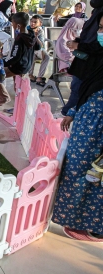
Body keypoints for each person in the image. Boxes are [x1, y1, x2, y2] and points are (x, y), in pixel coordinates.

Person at [54, 13, 103, 241]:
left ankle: (94, 227)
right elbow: (87, 90)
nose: (99, 35)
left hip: (97, 131)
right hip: (89, 123)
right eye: (99, 28)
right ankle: (79, 221)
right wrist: (74, 112)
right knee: (79, 168)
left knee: (93, 174)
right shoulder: (97, 65)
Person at [61, 0, 103, 118]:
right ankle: (69, 115)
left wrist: (80, 46)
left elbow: (98, 45)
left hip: (92, 63)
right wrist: (78, 42)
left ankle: (68, 116)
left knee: (80, 90)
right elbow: (89, 35)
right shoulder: (97, 12)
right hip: (84, 59)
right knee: (76, 88)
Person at [0, 12, 40, 106]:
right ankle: (18, 109)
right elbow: (38, 47)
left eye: (13, 22)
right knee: (18, 87)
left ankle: (4, 98)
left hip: (18, 67)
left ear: (18, 25)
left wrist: (1, 63)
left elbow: (15, 57)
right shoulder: (31, 33)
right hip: (27, 65)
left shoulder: (20, 38)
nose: (12, 24)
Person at [27, 15, 50, 86]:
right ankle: (30, 75)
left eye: (35, 22)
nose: (32, 23)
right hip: (29, 50)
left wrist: (36, 37)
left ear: (40, 24)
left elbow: (41, 45)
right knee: (32, 54)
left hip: (39, 49)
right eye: (31, 21)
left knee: (46, 57)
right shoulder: (26, 29)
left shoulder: (40, 31)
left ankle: (39, 77)